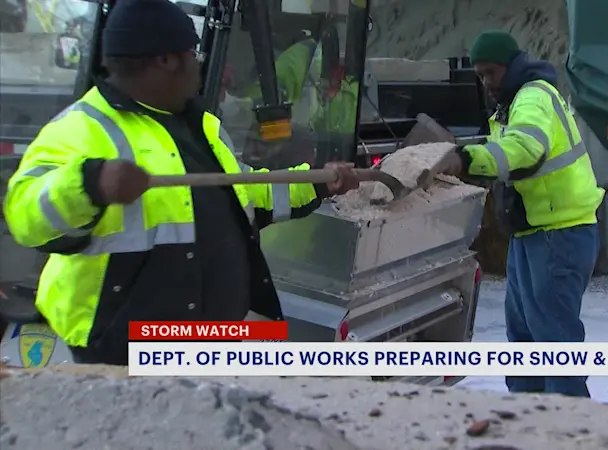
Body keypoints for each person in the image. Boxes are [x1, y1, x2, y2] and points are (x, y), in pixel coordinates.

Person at [2, 0, 360, 366]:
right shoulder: (82, 129)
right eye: (193, 53)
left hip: (210, 343)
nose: (199, 65)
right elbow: (24, 214)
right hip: (123, 352)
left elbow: (245, 193)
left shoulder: (201, 126)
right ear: (167, 61)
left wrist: (317, 183)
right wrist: (90, 185)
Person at [442, 31, 605, 397]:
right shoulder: (513, 101)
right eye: (480, 76)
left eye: (491, 73)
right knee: (524, 338)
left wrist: (466, 160)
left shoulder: (533, 97)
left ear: (512, 66)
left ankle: (569, 428)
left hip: (559, 234)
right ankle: (525, 418)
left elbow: (524, 148)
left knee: (554, 343)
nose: (486, 83)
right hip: (533, 233)